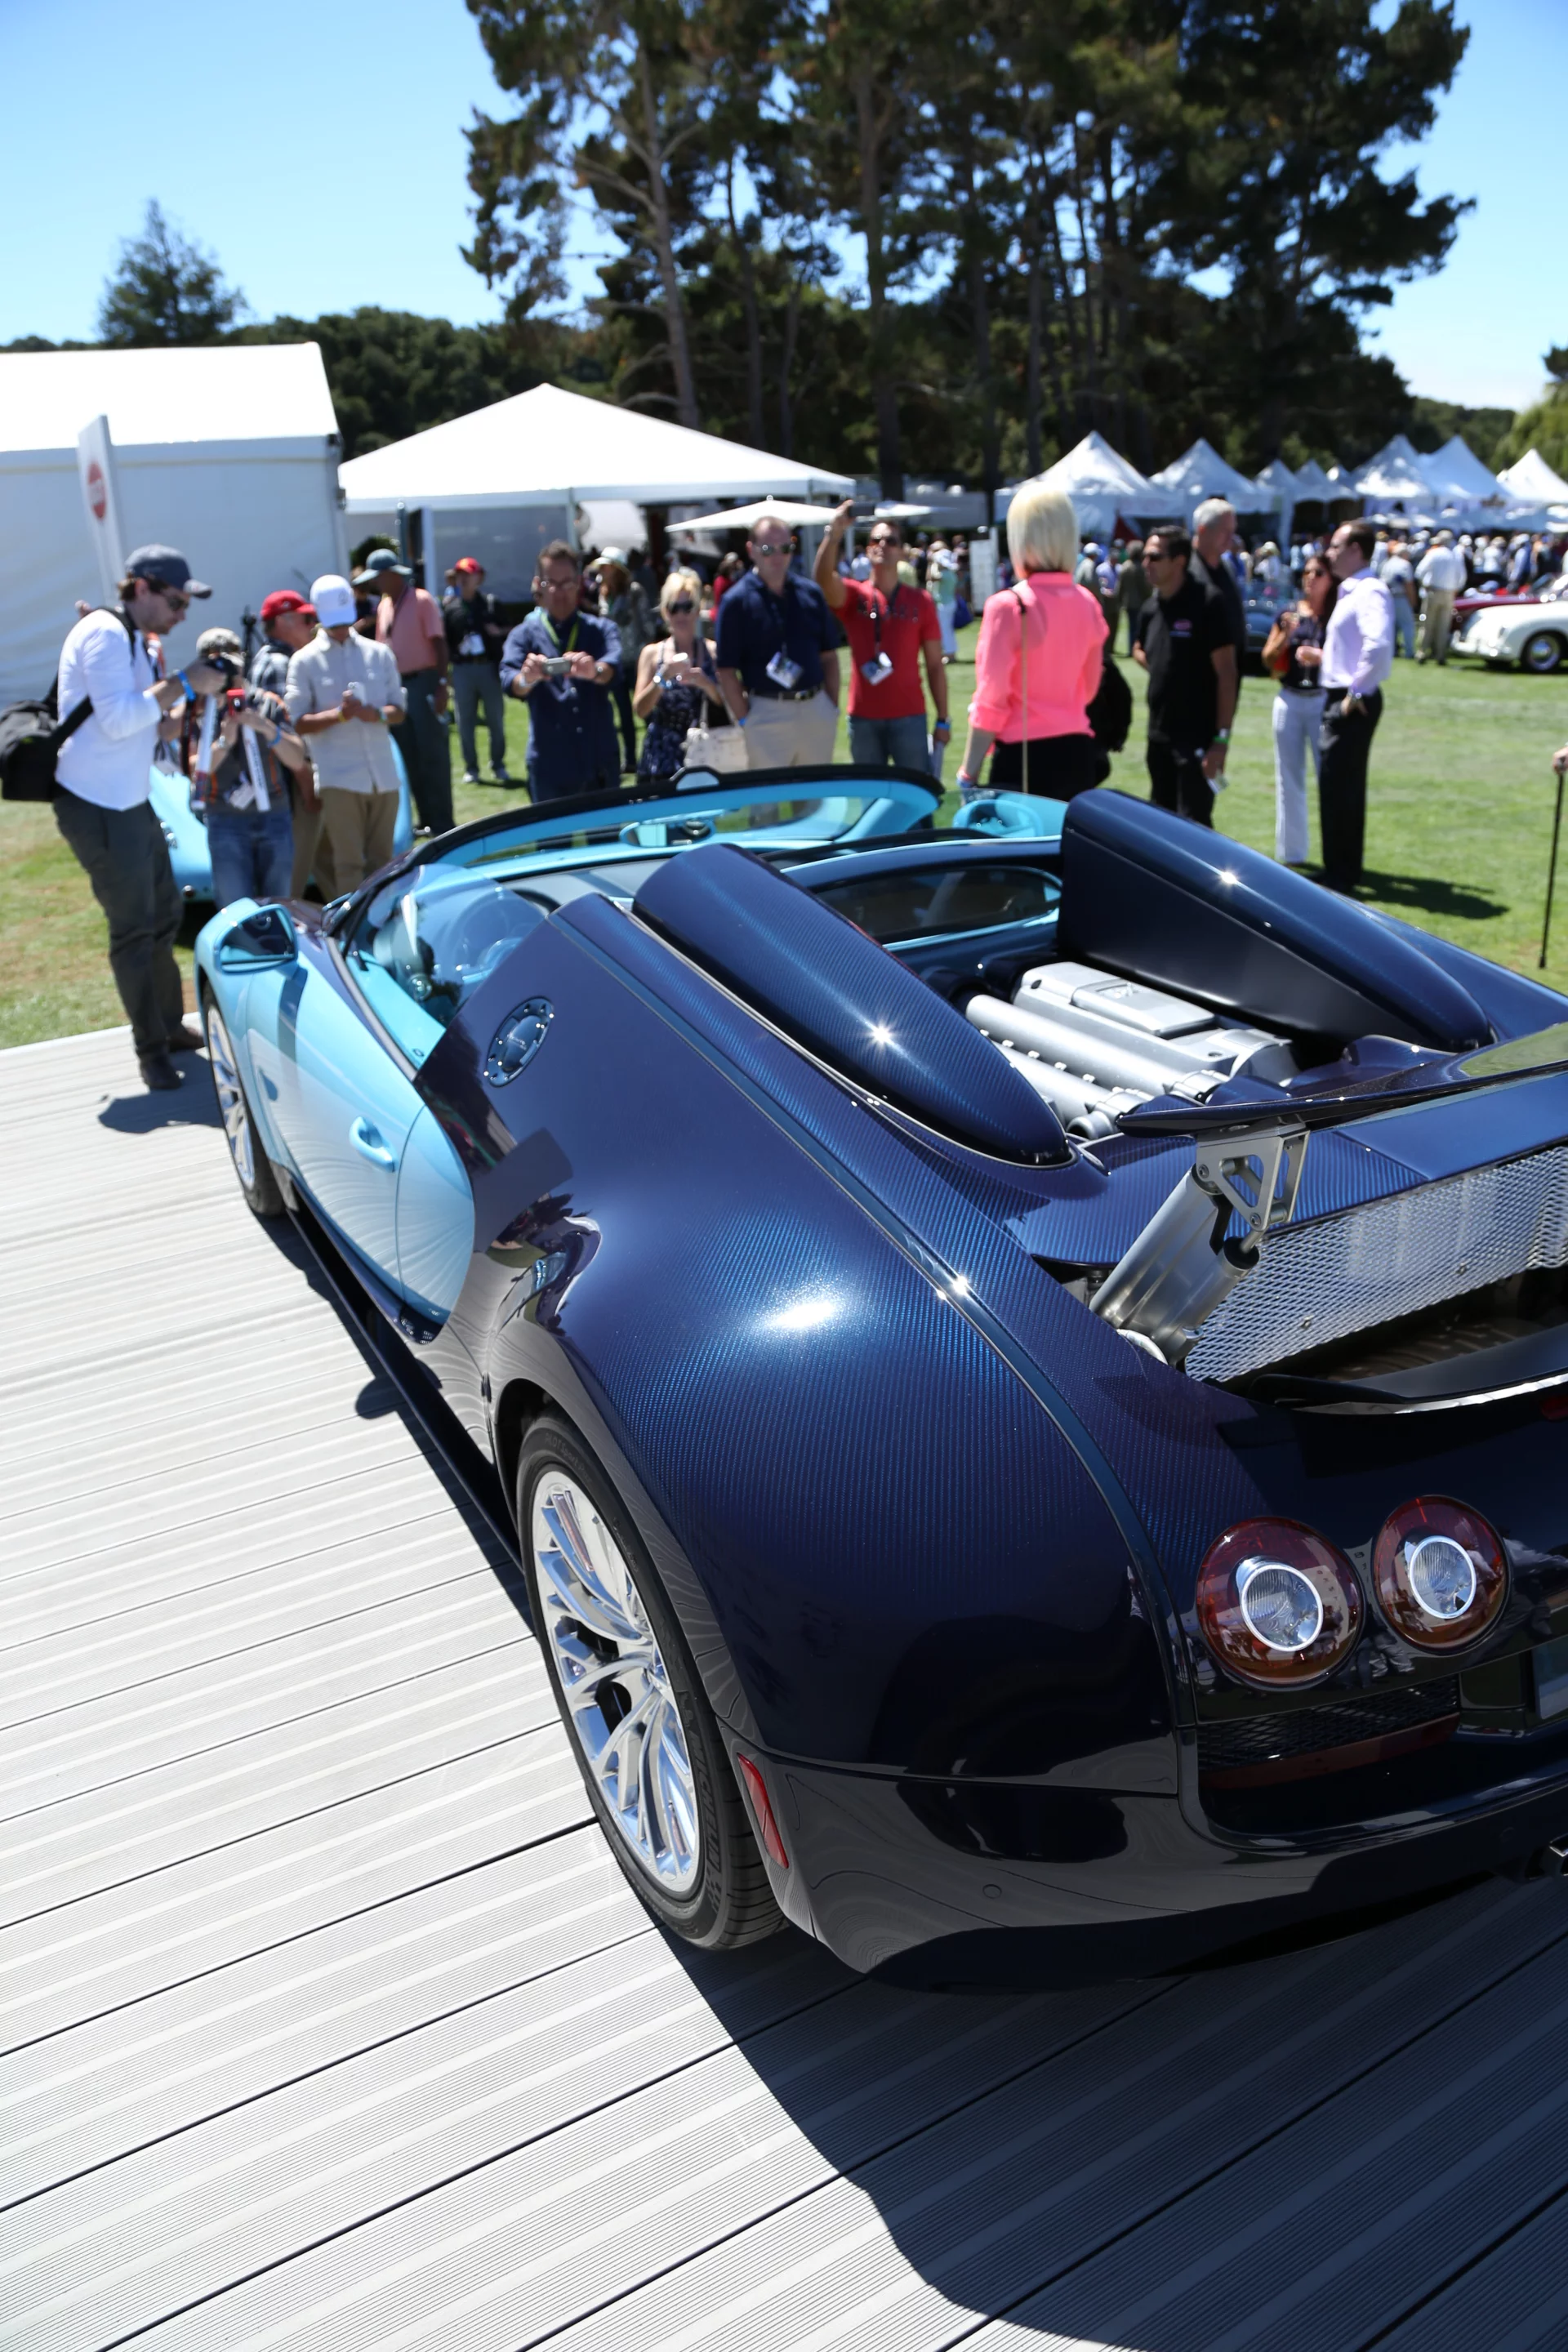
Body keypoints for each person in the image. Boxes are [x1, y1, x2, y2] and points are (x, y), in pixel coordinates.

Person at [52, 544, 226, 1091]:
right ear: (144, 588)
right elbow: (120, 717)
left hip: (127, 800)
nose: (182, 615)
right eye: (177, 602)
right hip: (100, 806)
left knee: (165, 914)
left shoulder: (128, 636)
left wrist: (171, 718)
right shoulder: (106, 633)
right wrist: (183, 682)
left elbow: (140, 723)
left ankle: (168, 1027)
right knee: (134, 928)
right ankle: (152, 1051)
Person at [956, 483, 1107, 800]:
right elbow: (1089, 689)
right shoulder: (1088, 602)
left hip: (1023, 757)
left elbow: (991, 702)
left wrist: (969, 773)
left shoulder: (1007, 606)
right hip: (1077, 754)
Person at [284, 574, 406, 893]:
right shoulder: (304, 661)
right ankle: (352, 934)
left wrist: (375, 714)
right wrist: (338, 716)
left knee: (384, 861)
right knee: (348, 863)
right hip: (339, 777)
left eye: (344, 621)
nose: (340, 629)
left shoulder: (378, 654)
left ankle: (383, 926)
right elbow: (298, 721)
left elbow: (400, 710)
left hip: (382, 773)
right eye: (334, 623)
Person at [813, 504, 950, 772]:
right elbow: (822, 579)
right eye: (876, 540)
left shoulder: (920, 602)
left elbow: (935, 664)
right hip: (864, 720)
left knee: (914, 803)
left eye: (891, 541)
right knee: (870, 805)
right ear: (868, 550)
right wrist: (834, 533)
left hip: (910, 717)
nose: (883, 545)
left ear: (901, 552)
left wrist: (943, 718)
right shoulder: (854, 596)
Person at [185, 626, 310, 909]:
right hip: (225, 818)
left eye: (230, 666)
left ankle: (278, 950)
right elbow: (194, 770)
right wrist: (224, 742)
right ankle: (243, 951)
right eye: (216, 667)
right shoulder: (199, 712)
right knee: (234, 906)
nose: (227, 675)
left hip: (274, 816)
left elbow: (296, 758)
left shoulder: (268, 704)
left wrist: (266, 728)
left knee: (279, 902)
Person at [498, 541, 622, 802]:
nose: (558, 592)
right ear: (538, 585)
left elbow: (613, 667)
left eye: (566, 583)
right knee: (552, 844)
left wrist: (594, 671)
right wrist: (527, 679)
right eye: (550, 583)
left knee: (606, 841)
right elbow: (510, 681)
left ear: (578, 583)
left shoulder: (600, 629)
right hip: (549, 764)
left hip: (598, 759)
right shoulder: (523, 635)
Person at [1309, 518, 1394, 893]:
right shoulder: (1352, 590)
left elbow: (1377, 645)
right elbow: (1357, 646)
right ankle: (1341, 868)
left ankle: (1340, 874)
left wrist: (1355, 692)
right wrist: (1324, 656)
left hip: (1351, 700)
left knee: (1339, 785)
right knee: (1338, 785)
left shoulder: (1370, 590)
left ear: (1357, 550)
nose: (1330, 553)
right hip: (1343, 693)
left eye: (1337, 546)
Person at [1132, 523, 1237, 826]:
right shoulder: (1152, 607)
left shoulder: (1207, 602)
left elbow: (1227, 675)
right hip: (1158, 735)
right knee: (1160, 824)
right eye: (1145, 556)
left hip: (1197, 739)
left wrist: (1221, 741)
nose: (1146, 563)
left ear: (1179, 561)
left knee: (1194, 827)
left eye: (1154, 556)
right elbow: (1140, 647)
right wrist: (1164, 669)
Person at [715, 519, 842, 768]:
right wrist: (746, 720)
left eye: (785, 548)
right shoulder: (735, 602)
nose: (777, 556)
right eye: (767, 549)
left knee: (814, 803)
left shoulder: (811, 593)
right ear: (751, 550)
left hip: (816, 709)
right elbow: (726, 670)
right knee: (766, 804)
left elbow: (829, 656)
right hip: (766, 713)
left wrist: (831, 706)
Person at [355, 550, 452, 834]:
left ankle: (443, 821)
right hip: (397, 686)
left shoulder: (422, 600)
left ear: (392, 575)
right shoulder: (385, 604)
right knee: (409, 755)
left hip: (423, 681)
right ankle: (425, 818)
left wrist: (442, 684)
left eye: (378, 578)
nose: (375, 584)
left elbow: (439, 644)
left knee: (432, 753)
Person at [1262, 554, 1336, 866]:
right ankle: (1292, 854)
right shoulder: (1289, 614)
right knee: (1288, 777)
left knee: (1329, 777)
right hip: (1290, 698)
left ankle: (1336, 855)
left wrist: (1322, 657)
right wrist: (1286, 638)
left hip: (1321, 699)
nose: (1311, 578)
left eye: (1318, 572)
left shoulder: (1335, 615)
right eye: (1307, 572)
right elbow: (1268, 661)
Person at [250, 591, 323, 899]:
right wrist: (307, 785)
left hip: (279, 783)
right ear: (283, 621)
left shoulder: (263, 659)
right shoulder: (282, 665)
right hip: (292, 783)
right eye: (306, 619)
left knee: (323, 862)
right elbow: (285, 736)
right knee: (293, 874)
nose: (312, 626)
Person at [633, 568, 730, 781]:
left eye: (687, 607)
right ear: (665, 612)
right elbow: (640, 710)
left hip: (704, 749)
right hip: (661, 756)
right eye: (674, 608)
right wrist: (661, 679)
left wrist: (707, 685)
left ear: (697, 610)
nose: (681, 615)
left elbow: (730, 705)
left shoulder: (712, 652)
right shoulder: (651, 654)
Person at [443, 557, 511, 787]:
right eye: (460, 574)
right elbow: (445, 643)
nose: (463, 578)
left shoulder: (490, 604)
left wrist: (498, 631)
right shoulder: (450, 607)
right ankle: (471, 768)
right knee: (465, 722)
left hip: (488, 668)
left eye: (468, 574)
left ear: (478, 578)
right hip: (463, 669)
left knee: (495, 720)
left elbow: (512, 631)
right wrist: (448, 672)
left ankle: (498, 764)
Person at [594, 555, 654, 775]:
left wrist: (649, 651)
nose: (603, 570)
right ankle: (630, 760)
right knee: (624, 714)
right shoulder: (603, 593)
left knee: (646, 709)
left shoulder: (634, 591)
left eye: (606, 566)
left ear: (617, 569)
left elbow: (647, 621)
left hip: (637, 658)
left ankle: (654, 751)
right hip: (616, 660)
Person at [1189, 498, 1247, 692]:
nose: (1232, 538)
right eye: (1225, 531)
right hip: (1194, 683)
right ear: (1203, 530)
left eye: (1233, 531)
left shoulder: (1227, 570)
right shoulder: (1184, 572)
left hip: (1226, 682)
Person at [1415, 531, 1467, 665]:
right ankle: (1440, 654)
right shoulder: (1455, 555)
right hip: (1449, 593)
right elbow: (1462, 577)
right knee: (1444, 625)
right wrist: (1455, 588)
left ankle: (1422, 651)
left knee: (1428, 623)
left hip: (1434, 591)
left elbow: (1420, 571)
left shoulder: (1435, 553)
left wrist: (1425, 585)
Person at [1381, 538, 1417, 660]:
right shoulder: (1405, 564)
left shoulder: (1387, 563)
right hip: (1401, 597)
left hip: (1388, 597)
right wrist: (1413, 601)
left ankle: (1392, 651)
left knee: (1391, 626)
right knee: (1408, 625)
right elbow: (1409, 585)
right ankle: (1409, 652)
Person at [926, 537, 960, 661]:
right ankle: (949, 653)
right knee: (947, 629)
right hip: (947, 603)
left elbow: (929, 578)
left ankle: (950, 654)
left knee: (945, 630)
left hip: (944, 604)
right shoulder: (950, 573)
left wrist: (931, 563)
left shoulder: (944, 574)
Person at [1116, 539, 1147, 654]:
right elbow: (1145, 587)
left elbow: (1120, 587)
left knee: (1131, 627)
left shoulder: (1125, 567)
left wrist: (1119, 601)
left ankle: (1130, 649)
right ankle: (1137, 648)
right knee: (1139, 627)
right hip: (1141, 602)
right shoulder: (1141, 568)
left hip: (1128, 602)